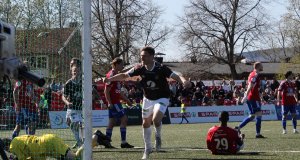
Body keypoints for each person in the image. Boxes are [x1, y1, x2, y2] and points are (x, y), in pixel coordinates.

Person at [103, 46, 191, 159]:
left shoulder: (161, 68)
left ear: (152, 56)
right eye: (141, 56)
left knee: (156, 119)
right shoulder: (139, 68)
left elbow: (176, 76)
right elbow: (124, 75)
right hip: (148, 98)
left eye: (144, 56)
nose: (142, 58)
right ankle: (147, 148)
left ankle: (158, 136)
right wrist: (110, 79)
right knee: (145, 123)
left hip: (162, 97)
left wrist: (184, 81)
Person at [0, 130, 112, 160]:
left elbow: (23, 158)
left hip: (49, 144)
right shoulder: (17, 139)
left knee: (76, 158)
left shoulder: (12, 146)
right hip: (48, 141)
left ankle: (95, 137)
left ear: (5, 147)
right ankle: (95, 141)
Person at [104, 58, 134, 148]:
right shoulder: (111, 74)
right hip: (114, 102)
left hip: (115, 102)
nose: (123, 66)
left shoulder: (117, 75)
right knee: (124, 118)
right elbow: (106, 91)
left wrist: (127, 100)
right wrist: (109, 103)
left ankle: (107, 142)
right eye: (121, 64)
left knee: (112, 122)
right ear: (116, 65)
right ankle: (123, 142)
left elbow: (118, 91)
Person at [238, 62, 265, 138]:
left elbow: (254, 86)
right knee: (259, 114)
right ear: (258, 66)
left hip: (253, 97)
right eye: (261, 65)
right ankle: (258, 134)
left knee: (252, 116)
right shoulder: (255, 75)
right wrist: (245, 96)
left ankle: (238, 128)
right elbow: (250, 85)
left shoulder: (252, 74)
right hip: (253, 98)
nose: (262, 67)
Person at [11, 61, 38, 139]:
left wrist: (35, 100)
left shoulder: (31, 80)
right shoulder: (20, 80)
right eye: (26, 66)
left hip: (30, 106)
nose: (28, 68)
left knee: (32, 124)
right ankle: (13, 141)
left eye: (28, 67)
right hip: (22, 106)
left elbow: (31, 92)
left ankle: (30, 142)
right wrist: (17, 104)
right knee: (18, 125)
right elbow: (15, 91)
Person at [62, 58, 83, 148]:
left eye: (77, 70)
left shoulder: (84, 81)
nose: (75, 71)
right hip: (71, 107)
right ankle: (79, 141)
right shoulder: (68, 83)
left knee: (76, 124)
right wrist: (67, 102)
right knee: (69, 122)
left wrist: (99, 100)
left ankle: (80, 141)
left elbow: (93, 91)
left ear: (80, 69)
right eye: (73, 70)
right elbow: (63, 96)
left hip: (81, 108)